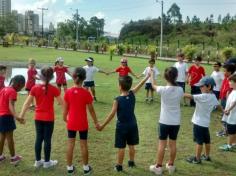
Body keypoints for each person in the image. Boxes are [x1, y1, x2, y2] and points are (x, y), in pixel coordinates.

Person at [98, 74, 150, 172]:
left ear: (120, 86)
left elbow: (112, 114)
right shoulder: (132, 93)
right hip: (133, 125)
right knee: (131, 145)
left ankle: (119, 166)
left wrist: (102, 125)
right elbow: (141, 84)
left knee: (121, 147)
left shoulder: (117, 99)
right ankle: (131, 162)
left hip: (122, 126)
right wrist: (147, 77)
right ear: (130, 86)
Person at [19, 67, 63, 168]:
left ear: (41, 76)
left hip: (38, 118)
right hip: (48, 119)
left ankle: (38, 161)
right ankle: (47, 162)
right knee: (47, 139)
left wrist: (21, 116)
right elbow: (63, 103)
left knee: (39, 138)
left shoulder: (35, 88)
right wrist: (67, 115)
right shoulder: (54, 89)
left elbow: (26, 103)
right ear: (52, 76)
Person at [63, 67, 100, 175]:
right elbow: (91, 110)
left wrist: (65, 118)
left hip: (71, 123)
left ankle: (69, 168)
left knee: (70, 144)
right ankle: (86, 168)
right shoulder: (86, 93)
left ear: (74, 77)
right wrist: (96, 122)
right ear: (84, 78)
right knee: (84, 145)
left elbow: (65, 109)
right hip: (82, 123)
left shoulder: (68, 92)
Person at [149, 67, 184, 175]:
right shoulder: (180, 89)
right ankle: (171, 165)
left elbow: (153, 85)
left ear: (165, 77)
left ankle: (158, 167)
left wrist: (151, 74)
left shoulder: (162, 89)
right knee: (173, 144)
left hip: (164, 121)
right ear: (176, 76)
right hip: (175, 122)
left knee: (162, 145)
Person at [185, 76, 222, 164]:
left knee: (199, 142)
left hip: (198, 123)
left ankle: (197, 159)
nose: (200, 87)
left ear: (209, 86)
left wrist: (177, 92)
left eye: (202, 86)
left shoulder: (202, 96)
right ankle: (206, 156)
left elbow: (189, 96)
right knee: (207, 140)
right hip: (205, 123)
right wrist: (224, 111)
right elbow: (218, 105)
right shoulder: (213, 96)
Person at [0, 75, 25, 165]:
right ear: (18, 84)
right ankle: (13, 158)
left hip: (1, 116)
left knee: (2, 136)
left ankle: (0, 156)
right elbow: (11, 105)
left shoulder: (4, 89)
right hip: (7, 117)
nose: (21, 89)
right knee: (10, 137)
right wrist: (16, 116)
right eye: (21, 87)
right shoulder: (13, 91)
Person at [217, 64, 236, 137]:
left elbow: (230, 92)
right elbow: (223, 87)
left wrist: (227, 98)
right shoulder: (226, 78)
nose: (223, 72)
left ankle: (227, 131)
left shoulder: (233, 80)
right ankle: (225, 130)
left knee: (226, 116)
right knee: (224, 116)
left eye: (225, 71)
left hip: (227, 100)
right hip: (223, 98)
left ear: (230, 72)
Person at [219, 74, 236, 151]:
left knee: (231, 131)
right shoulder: (233, 91)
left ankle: (229, 145)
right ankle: (234, 143)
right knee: (233, 131)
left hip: (233, 115)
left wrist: (228, 110)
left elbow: (234, 102)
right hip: (232, 115)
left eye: (231, 81)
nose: (229, 83)